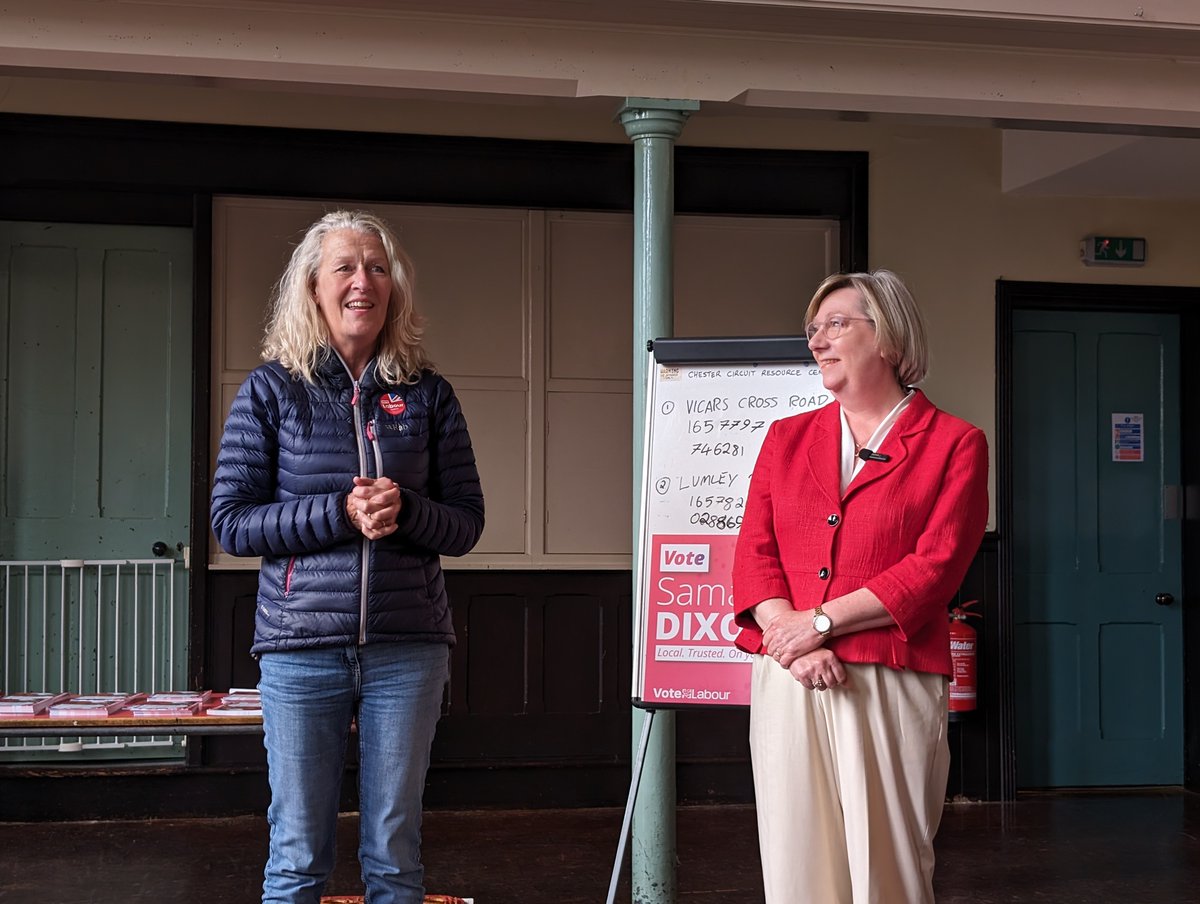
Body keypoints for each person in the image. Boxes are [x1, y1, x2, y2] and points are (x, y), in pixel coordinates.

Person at [211, 209, 484, 904]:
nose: (364, 281)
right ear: (312, 287)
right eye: (346, 267)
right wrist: (339, 511)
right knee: (298, 852)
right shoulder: (271, 391)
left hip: (409, 649)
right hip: (300, 649)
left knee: (395, 855)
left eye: (378, 268)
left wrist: (408, 511)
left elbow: (466, 524)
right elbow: (231, 524)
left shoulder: (428, 394)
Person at [731, 269, 988, 904]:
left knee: (887, 866)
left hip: (890, 674)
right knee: (795, 862)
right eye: (812, 329)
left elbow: (935, 568)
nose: (817, 341)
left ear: (891, 340)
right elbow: (754, 553)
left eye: (836, 324)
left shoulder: (956, 443)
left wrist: (818, 623)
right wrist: (793, 637)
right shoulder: (785, 438)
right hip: (789, 672)